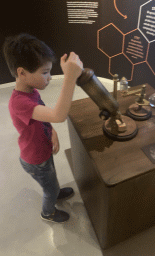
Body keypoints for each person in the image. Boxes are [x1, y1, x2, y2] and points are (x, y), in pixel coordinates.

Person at [3, 33, 83, 223]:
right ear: (22, 73)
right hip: (35, 160)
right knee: (50, 188)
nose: (49, 77)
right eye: (45, 72)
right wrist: (70, 78)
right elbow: (58, 115)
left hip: (43, 151)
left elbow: (44, 116)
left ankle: (55, 190)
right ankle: (48, 212)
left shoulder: (32, 91)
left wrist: (52, 131)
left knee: (52, 178)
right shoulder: (20, 103)